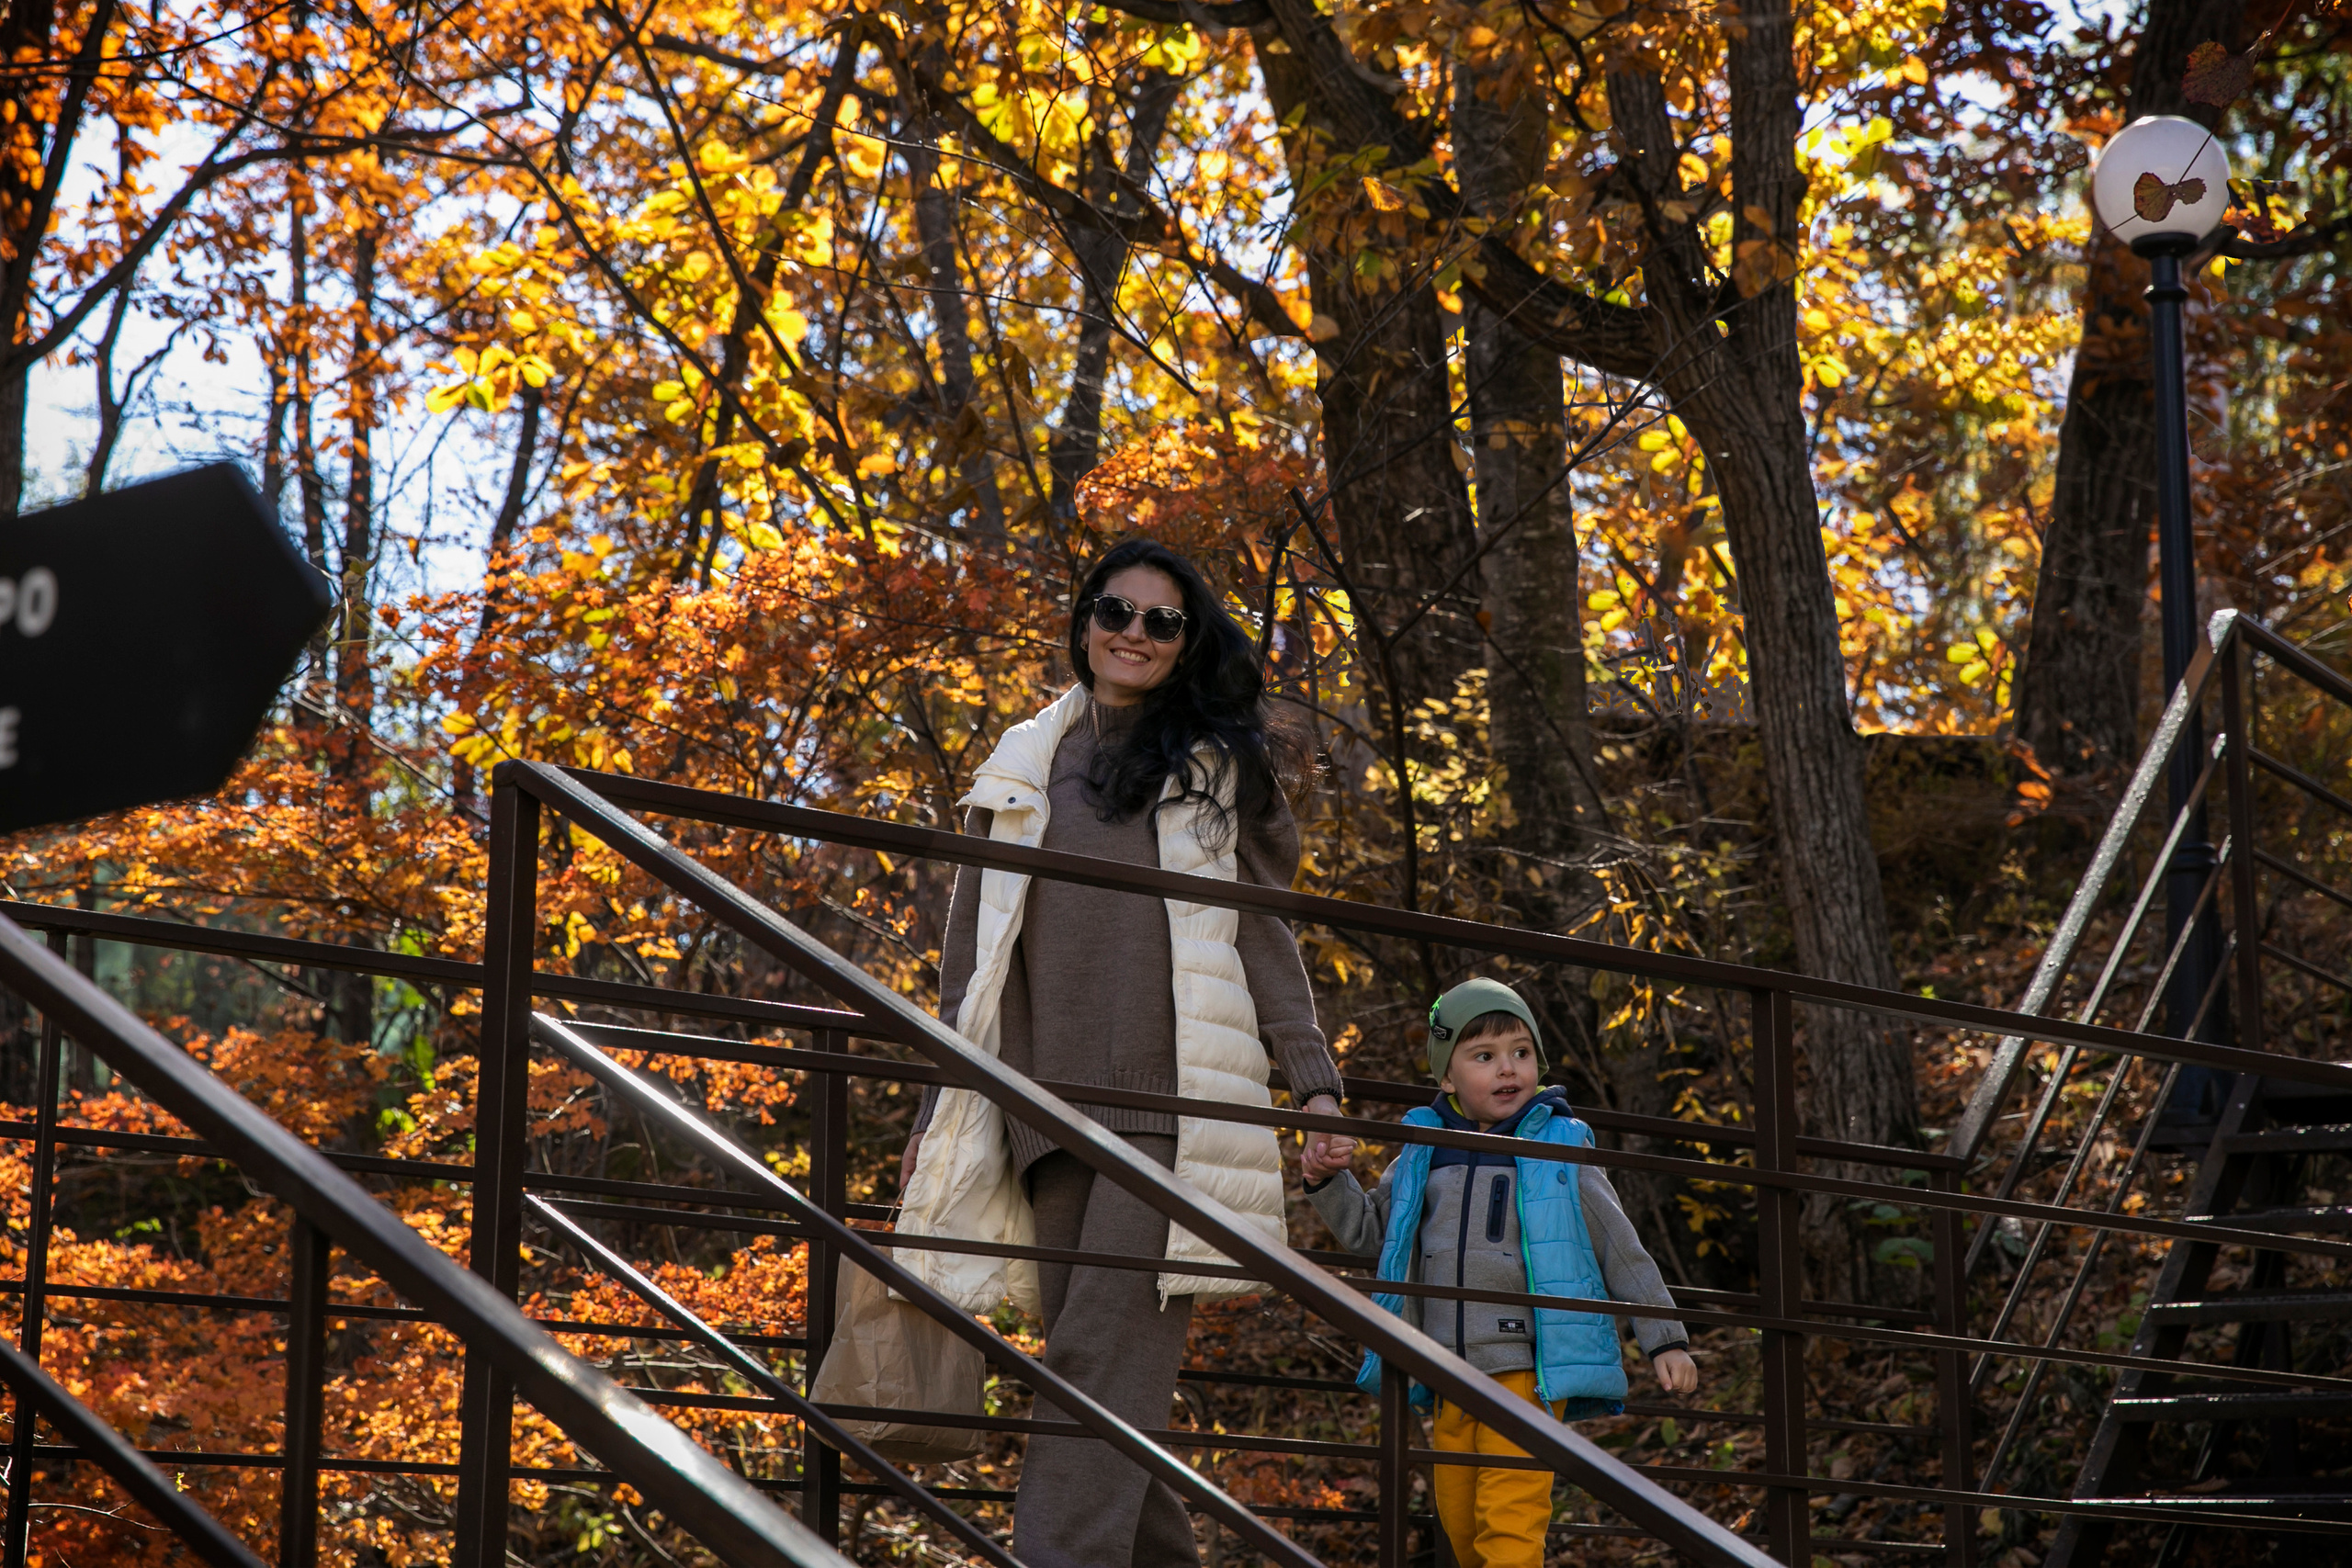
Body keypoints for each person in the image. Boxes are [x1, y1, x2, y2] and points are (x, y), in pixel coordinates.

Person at [896, 538, 1349, 1568]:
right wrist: (938, 1118)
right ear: (1083, 621)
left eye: (1161, 620)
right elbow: (971, 965)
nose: (1133, 634)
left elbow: (1258, 933)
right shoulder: (1020, 762)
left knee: (1093, 1361)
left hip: (1171, 1112)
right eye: (1116, 611)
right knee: (1092, 1381)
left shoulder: (1209, 769)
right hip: (1042, 1115)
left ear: (1187, 644)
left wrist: (1312, 1087)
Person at [1301, 976, 1698, 1568]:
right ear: (1447, 1078)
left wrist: (1663, 1336)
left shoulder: (1558, 1148)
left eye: (1521, 1052)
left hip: (1527, 1375)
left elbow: (1620, 1245)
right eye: (1484, 1056)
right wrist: (1327, 1181)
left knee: (1510, 1530)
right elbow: (1371, 1234)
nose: (1508, 1069)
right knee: (1461, 1531)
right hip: (1444, 1376)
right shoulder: (1421, 1149)